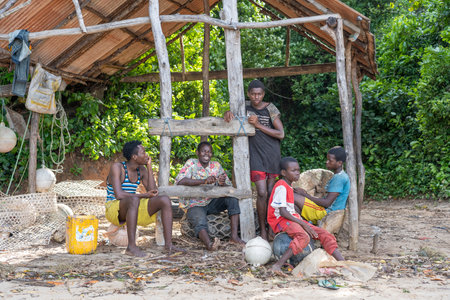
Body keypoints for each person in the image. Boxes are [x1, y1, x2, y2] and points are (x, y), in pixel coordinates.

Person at [224, 79, 284, 240]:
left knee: (271, 193)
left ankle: (271, 227)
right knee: (262, 193)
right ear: (249, 94)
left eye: (259, 94)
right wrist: (227, 114)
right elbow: (231, 116)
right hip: (255, 155)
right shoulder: (244, 107)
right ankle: (263, 230)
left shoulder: (270, 108)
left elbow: (281, 134)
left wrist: (258, 125)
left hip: (272, 155)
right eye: (253, 94)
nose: (256, 97)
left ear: (263, 94)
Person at [268, 157, 344, 276]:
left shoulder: (289, 187)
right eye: (293, 170)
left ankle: (343, 263)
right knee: (303, 237)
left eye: (298, 170)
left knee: (325, 234)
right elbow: (283, 212)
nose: (297, 172)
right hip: (281, 220)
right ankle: (277, 265)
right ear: (283, 172)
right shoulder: (281, 186)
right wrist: (303, 223)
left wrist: (302, 222)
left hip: (292, 219)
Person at [105, 140, 180, 257]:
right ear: (134, 157)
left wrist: (149, 167)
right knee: (134, 200)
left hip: (133, 207)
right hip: (114, 208)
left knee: (164, 199)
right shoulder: (117, 167)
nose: (146, 155)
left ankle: (169, 245)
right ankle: (131, 247)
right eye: (143, 152)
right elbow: (119, 195)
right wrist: (143, 195)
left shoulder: (141, 170)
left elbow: (153, 191)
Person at [176, 141, 245, 250]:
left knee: (232, 198)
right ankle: (209, 245)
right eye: (203, 151)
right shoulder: (191, 163)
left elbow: (228, 185)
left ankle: (234, 237)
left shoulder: (216, 165)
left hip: (212, 202)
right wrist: (204, 181)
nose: (206, 154)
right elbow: (180, 180)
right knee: (199, 221)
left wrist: (222, 183)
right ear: (197, 152)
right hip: (194, 203)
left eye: (209, 152)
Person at [294, 146, 350, 225]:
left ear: (339, 163)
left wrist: (305, 195)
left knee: (293, 196)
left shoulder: (339, 178)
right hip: (326, 210)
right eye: (327, 159)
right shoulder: (340, 176)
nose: (327, 162)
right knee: (296, 203)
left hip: (327, 213)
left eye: (330, 161)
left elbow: (327, 203)